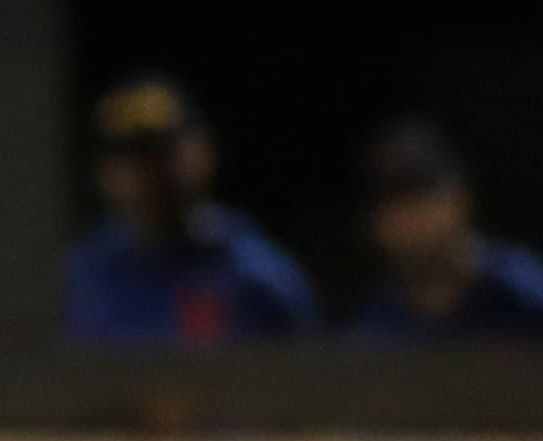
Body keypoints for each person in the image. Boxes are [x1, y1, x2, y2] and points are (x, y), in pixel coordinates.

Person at [64, 76, 317, 344]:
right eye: (132, 157)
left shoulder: (258, 279)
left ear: (204, 154)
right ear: (103, 173)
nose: (149, 175)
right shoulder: (81, 279)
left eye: (162, 153)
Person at [349, 120, 543, 340]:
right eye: (393, 204)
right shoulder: (376, 321)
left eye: (421, 196)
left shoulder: (520, 296)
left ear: (460, 198)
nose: (409, 219)